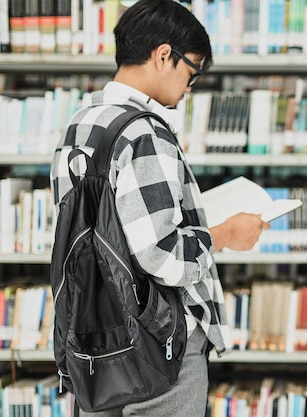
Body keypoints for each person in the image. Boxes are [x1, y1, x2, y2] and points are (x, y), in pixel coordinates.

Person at [49, 0, 270, 415]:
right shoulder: (145, 133)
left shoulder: (80, 123)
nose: (190, 87)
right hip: (157, 345)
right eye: (192, 72)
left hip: (92, 336)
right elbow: (162, 256)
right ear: (164, 55)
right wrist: (225, 235)